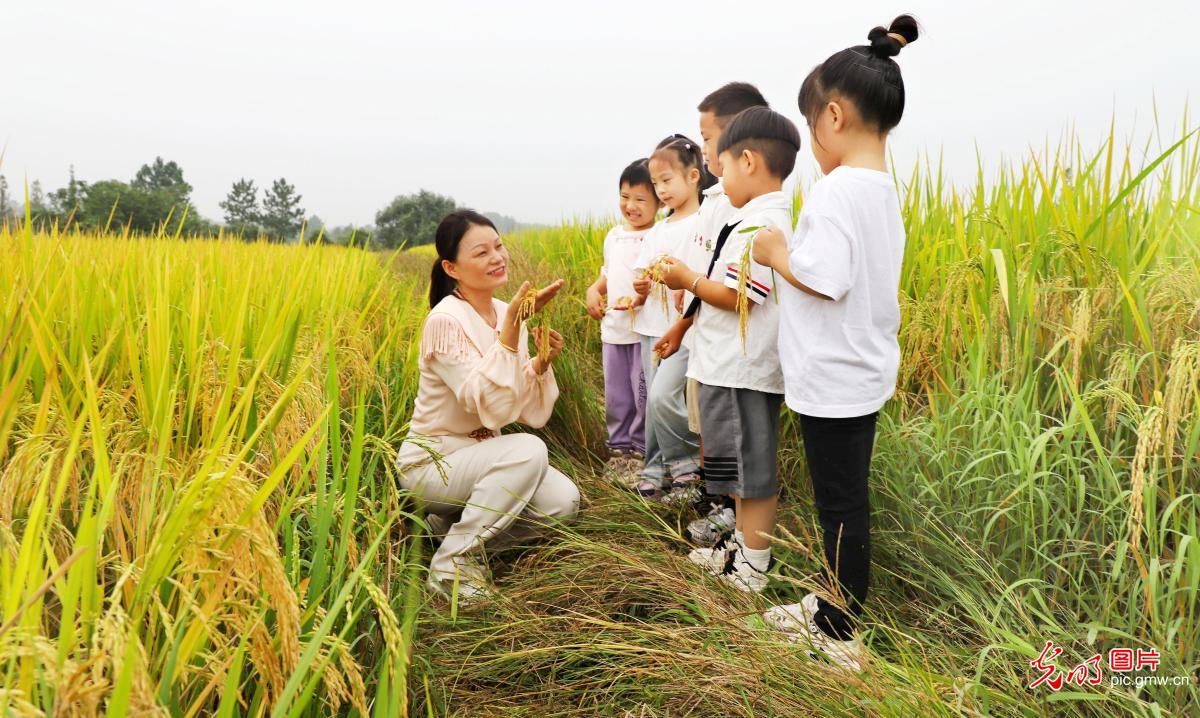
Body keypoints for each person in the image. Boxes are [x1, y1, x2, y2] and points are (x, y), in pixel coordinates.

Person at [750, 15, 920, 671]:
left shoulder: (836, 192)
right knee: (843, 502)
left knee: (840, 508)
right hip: (863, 370)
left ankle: (839, 632)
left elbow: (824, 279)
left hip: (834, 378)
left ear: (834, 117)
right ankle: (827, 602)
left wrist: (775, 251)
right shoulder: (881, 192)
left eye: (810, 126)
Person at [397, 209, 580, 604]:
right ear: (452, 267)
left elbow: (526, 413)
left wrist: (539, 366)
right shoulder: (445, 320)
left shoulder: (505, 313)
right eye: (481, 253)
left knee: (563, 503)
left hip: (481, 459)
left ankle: (452, 533)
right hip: (434, 463)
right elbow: (489, 407)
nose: (497, 257)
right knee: (528, 451)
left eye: (498, 246)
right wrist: (512, 330)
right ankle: (452, 565)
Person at [658, 106, 800, 593]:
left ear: (749, 160)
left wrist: (687, 279)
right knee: (734, 471)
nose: (718, 173)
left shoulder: (764, 223)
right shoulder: (747, 217)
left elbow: (744, 297)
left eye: (724, 163)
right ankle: (741, 551)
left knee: (751, 474)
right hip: (724, 365)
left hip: (744, 370)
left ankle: (753, 568)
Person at [656, 82, 771, 545]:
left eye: (707, 137)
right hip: (709, 344)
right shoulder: (718, 201)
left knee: (743, 454)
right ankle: (725, 514)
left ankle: (741, 538)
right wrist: (683, 323)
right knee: (715, 434)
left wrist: (686, 283)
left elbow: (736, 291)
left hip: (737, 355)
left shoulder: (748, 210)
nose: (703, 148)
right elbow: (709, 274)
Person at [629, 136, 713, 500]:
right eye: (656, 183)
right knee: (653, 402)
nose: (660, 190)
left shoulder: (705, 220)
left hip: (683, 328)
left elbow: (704, 273)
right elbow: (641, 272)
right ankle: (655, 467)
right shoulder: (661, 228)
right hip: (651, 325)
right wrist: (641, 284)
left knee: (664, 396)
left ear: (693, 176)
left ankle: (685, 463)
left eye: (667, 181)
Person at [585, 159, 660, 485]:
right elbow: (607, 274)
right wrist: (593, 290)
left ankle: (642, 452)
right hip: (614, 332)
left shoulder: (659, 235)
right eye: (625, 196)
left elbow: (660, 278)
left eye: (641, 199)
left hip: (644, 332)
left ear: (660, 201)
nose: (631, 206)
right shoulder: (614, 237)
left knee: (642, 394)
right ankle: (619, 452)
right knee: (617, 395)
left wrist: (646, 290)